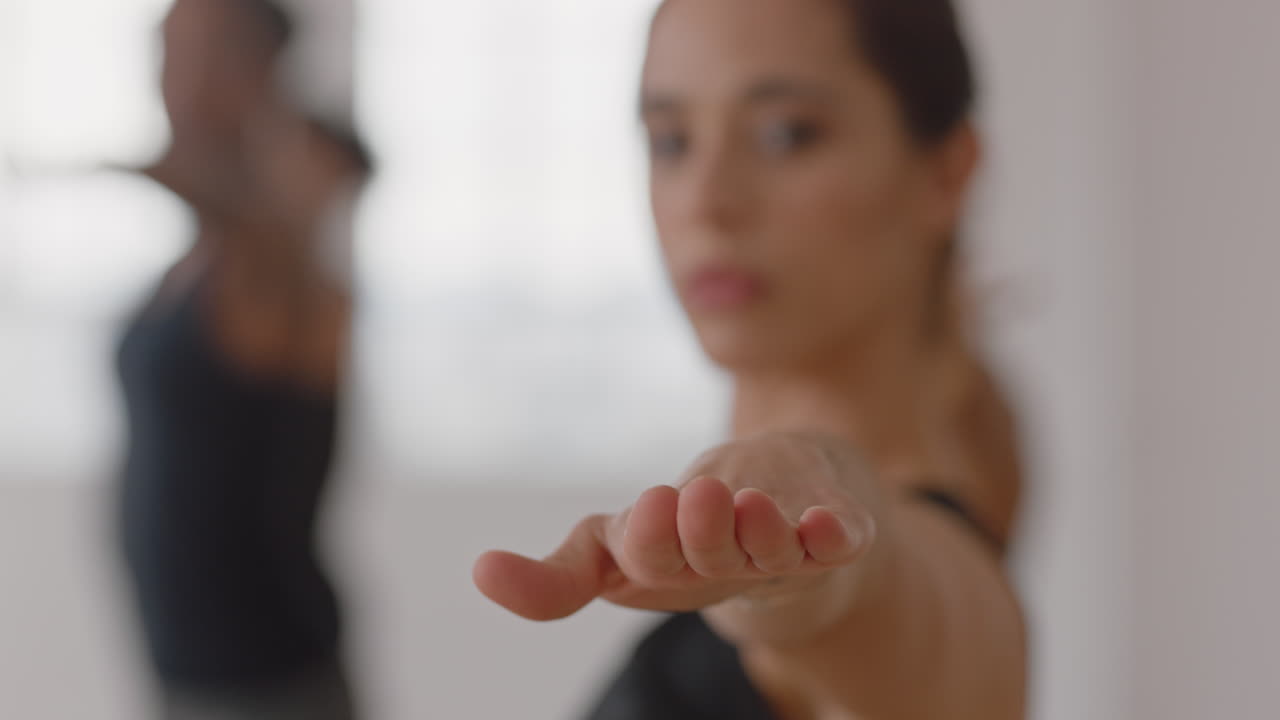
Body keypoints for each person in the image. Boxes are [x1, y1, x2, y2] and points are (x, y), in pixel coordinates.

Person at [473, 0, 1025, 717]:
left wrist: (792, 520)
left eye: (785, 133)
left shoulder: (944, 581)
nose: (708, 199)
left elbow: (864, 588)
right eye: (671, 141)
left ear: (946, 175)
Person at [115, 0, 371, 717]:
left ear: (266, 70)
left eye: (204, 53)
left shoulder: (285, 263)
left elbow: (261, 223)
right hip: (185, 671)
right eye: (167, 51)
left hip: (270, 683)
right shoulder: (198, 259)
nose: (179, 80)